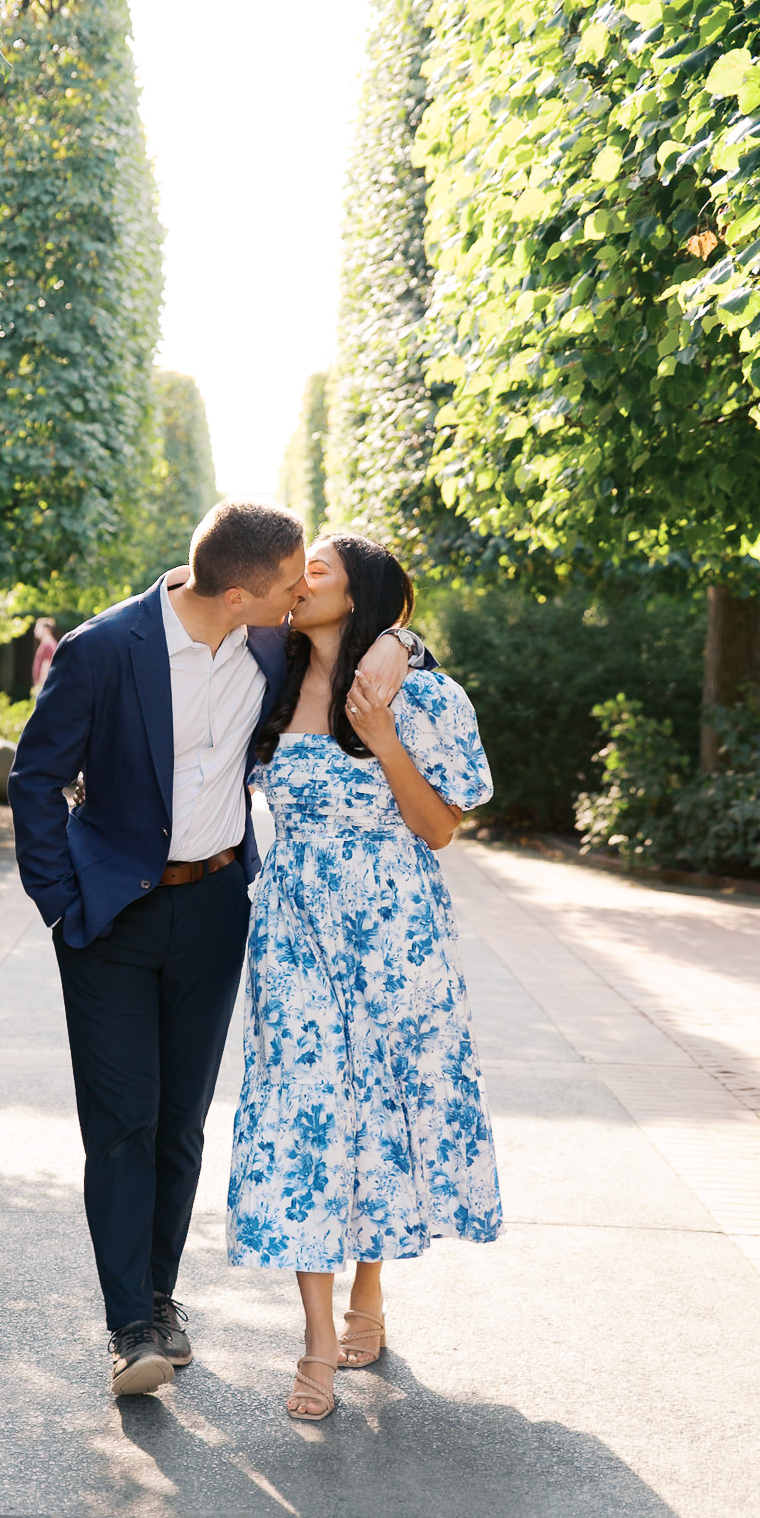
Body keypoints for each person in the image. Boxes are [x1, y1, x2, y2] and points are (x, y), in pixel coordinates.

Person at [7, 503, 422, 1398]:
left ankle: (160, 1297)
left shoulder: (267, 645)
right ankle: (130, 1327)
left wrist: (404, 642)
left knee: (181, 1122)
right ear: (239, 593)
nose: (298, 596)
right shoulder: (103, 649)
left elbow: (362, 630)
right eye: (288, 585)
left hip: (217, 909)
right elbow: (34, 778)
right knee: (121, 1123)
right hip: (109, 919)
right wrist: (60, 902)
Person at [226, 532, 501, 1421]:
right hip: (294, 926)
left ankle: (368, 1293)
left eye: (315, 572)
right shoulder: (266, 673)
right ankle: (312, 1337)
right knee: (302, 1106)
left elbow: (438, 830)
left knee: (379, 1102)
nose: (294, 585)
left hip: (393, 928)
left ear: (361, 592)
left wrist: (383, 737)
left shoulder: (422, 695)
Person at [32, 618, 59, 696]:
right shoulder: (49, 644)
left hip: (43, 687)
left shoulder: (48, 645)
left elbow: (46, 668)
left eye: (37, 627)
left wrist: (41, 689)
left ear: (46, 629)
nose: (35, 630)